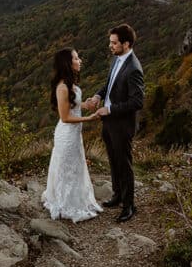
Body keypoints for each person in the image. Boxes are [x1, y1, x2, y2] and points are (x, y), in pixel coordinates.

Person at [84, 23, 144, 222]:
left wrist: (109, 109)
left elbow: (137, 101)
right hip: (109, 122)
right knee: (113, 161)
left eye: (114, 43)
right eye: (110, 42)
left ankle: (129, 206)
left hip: (121, 125)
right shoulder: (117, 60)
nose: (110, 46)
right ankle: (117, 195)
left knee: (124, 165)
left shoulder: (134, 68)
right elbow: (109, 83)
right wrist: (97, 96)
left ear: (126, 44)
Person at [41, 48, 103, 223]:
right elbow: (65, 117)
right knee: (67, 168)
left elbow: (73, 106)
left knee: (75, 166)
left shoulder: (70, 85)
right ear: (68, 63)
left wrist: (86, 104)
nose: (80, 60)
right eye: (76, 58)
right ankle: (65, 202)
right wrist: (89, 118)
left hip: (74, 134)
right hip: (67, 134)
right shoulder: (62, 87)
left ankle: (74, 200)